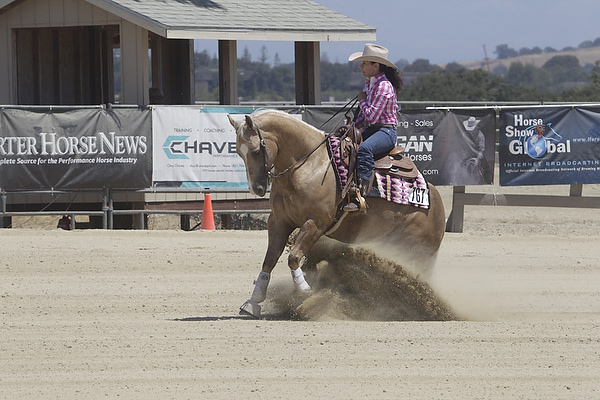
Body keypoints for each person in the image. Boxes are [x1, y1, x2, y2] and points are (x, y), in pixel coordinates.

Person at [344, 44, 403, 212]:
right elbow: (363, 117)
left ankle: (364, 195)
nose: (361, 66)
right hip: (374, 130)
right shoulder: (370, 84)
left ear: (375, 66)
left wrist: (362, 100)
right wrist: (352, 128)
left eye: (364, 63)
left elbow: (371, 116)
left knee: (365, 149)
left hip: (386, 132)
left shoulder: (384, 86)